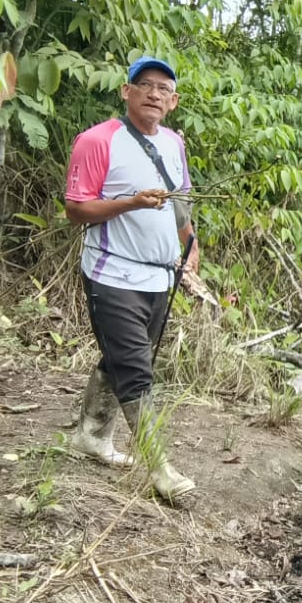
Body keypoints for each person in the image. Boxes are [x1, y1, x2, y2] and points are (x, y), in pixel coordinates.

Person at [64, 55, 197, 500]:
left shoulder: (174, 144)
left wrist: (191, 246)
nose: (154, 94)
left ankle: (91, 435)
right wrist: (132, 202)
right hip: (112, 272)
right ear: (127, 91)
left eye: (164, 89)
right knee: (136, 369)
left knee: (122, 357)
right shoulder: (98, 140)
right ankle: (161, 469)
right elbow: (76, 209)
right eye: (145, 85)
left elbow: (180, 202)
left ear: (173, 101)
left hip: (159, 277)